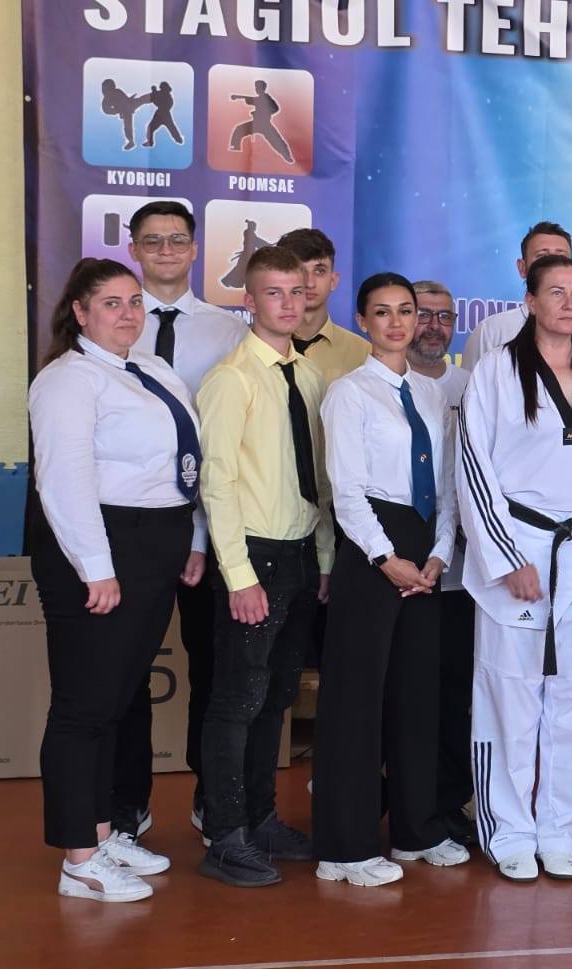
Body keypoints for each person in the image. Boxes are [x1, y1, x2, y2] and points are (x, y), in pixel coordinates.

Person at [459, 256, 572, 882]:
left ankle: (560, 829)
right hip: (521, 551)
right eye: (555, 292)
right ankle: (509, 831)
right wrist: (506, 558)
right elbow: (474, 470)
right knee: (509, 700)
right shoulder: (496, 370)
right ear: (530, 300)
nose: (568, 303)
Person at [28, 258, 205, 901]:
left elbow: (183, 464)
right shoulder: (67, 380)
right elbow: (64, 479)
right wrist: (96, 569)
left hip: (154, 544)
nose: (128, 313)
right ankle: (79, 858)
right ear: (79, 312)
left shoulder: (150, 368)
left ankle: (102, 833)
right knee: (84, 706)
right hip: (100, 546)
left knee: (119, 698)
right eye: (111, 303)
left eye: (134, 301)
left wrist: (192, 538)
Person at [311, 275, 463, 886]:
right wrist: (385, 557)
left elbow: (449, 484)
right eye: (383, 312)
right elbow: (346, 491)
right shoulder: (348, 393)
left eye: (407, 311)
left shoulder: (431, 394)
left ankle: (415, 831)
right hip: (372, 549)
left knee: (417, 698)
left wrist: (440, 554)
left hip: (425, 551)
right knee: (357, 702)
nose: (398, 323)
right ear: (362, 321)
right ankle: (344, 847)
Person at [195, 246, 334, 887]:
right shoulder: (232, 378)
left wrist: (323, 556)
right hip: (254, 556)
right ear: (249, 301)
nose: (288, 303)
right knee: (237, 700)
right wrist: (239, 575)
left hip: (300, 553)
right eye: (273, 292)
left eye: (296, 291)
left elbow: (317, 481)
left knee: (276, 698)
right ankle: (224, 835)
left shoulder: (306, 375)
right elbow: (216, 483)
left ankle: (260, 819)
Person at [120, 200, 246, 842]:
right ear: (133, 249)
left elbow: (230, 443)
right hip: (135, 526)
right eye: (152, 240)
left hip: (210, 530)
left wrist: (203, 536)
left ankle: (210, 796)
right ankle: (127, 802)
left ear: (196, 249)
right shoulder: (115, 324)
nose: (165, 250)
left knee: (212, 668)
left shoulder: (228, 332)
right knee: (126, 668)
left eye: (176, 239)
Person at [409, 280, 478, 844]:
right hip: (399, 567)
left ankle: (450, 800)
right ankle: (402, 797)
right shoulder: (376, 384)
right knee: (406, 690)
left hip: (460, 573)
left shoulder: (471, 386)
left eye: (444, 317)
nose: (433, 327)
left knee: (456, 691)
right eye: (422, 314)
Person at [460, 222, 572, 369]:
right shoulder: (491, 331)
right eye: (542, 257)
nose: (552, 265)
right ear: (522, 267)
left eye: (561, 257)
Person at [276, 227, 371, 388]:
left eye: (319, 271)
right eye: (299, 271)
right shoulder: (257, 348)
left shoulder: (363, 353)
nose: (309, 283)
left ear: (333, 281)